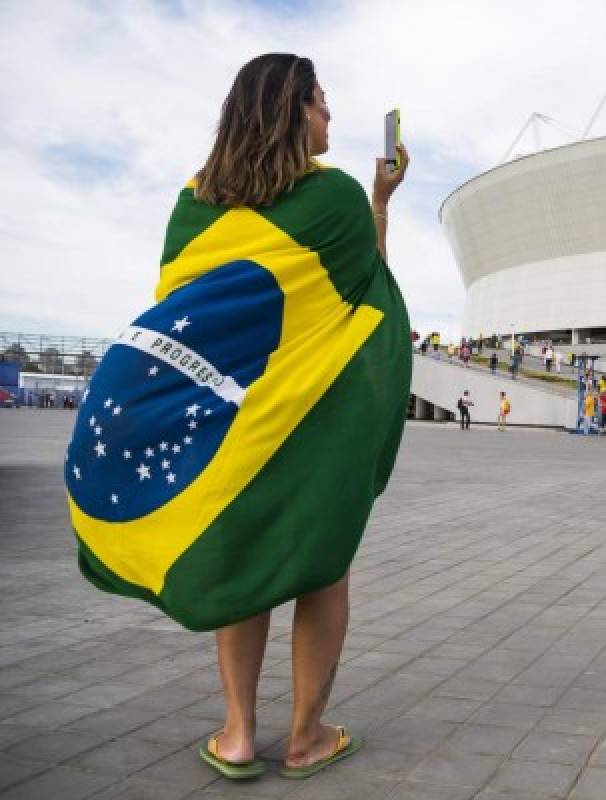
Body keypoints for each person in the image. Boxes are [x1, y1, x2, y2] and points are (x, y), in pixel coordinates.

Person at [62, 54, 413, 780]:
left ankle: (238, 734)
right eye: (321, 103)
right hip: (307, 419)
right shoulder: (335, 197)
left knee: (242, 552)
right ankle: (309, 737)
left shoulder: (193, 203)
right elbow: (364, 291)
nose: (330, 117)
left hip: (230, 423)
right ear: (293, 110)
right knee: (324, 568)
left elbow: (187, 311)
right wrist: (380, 204)